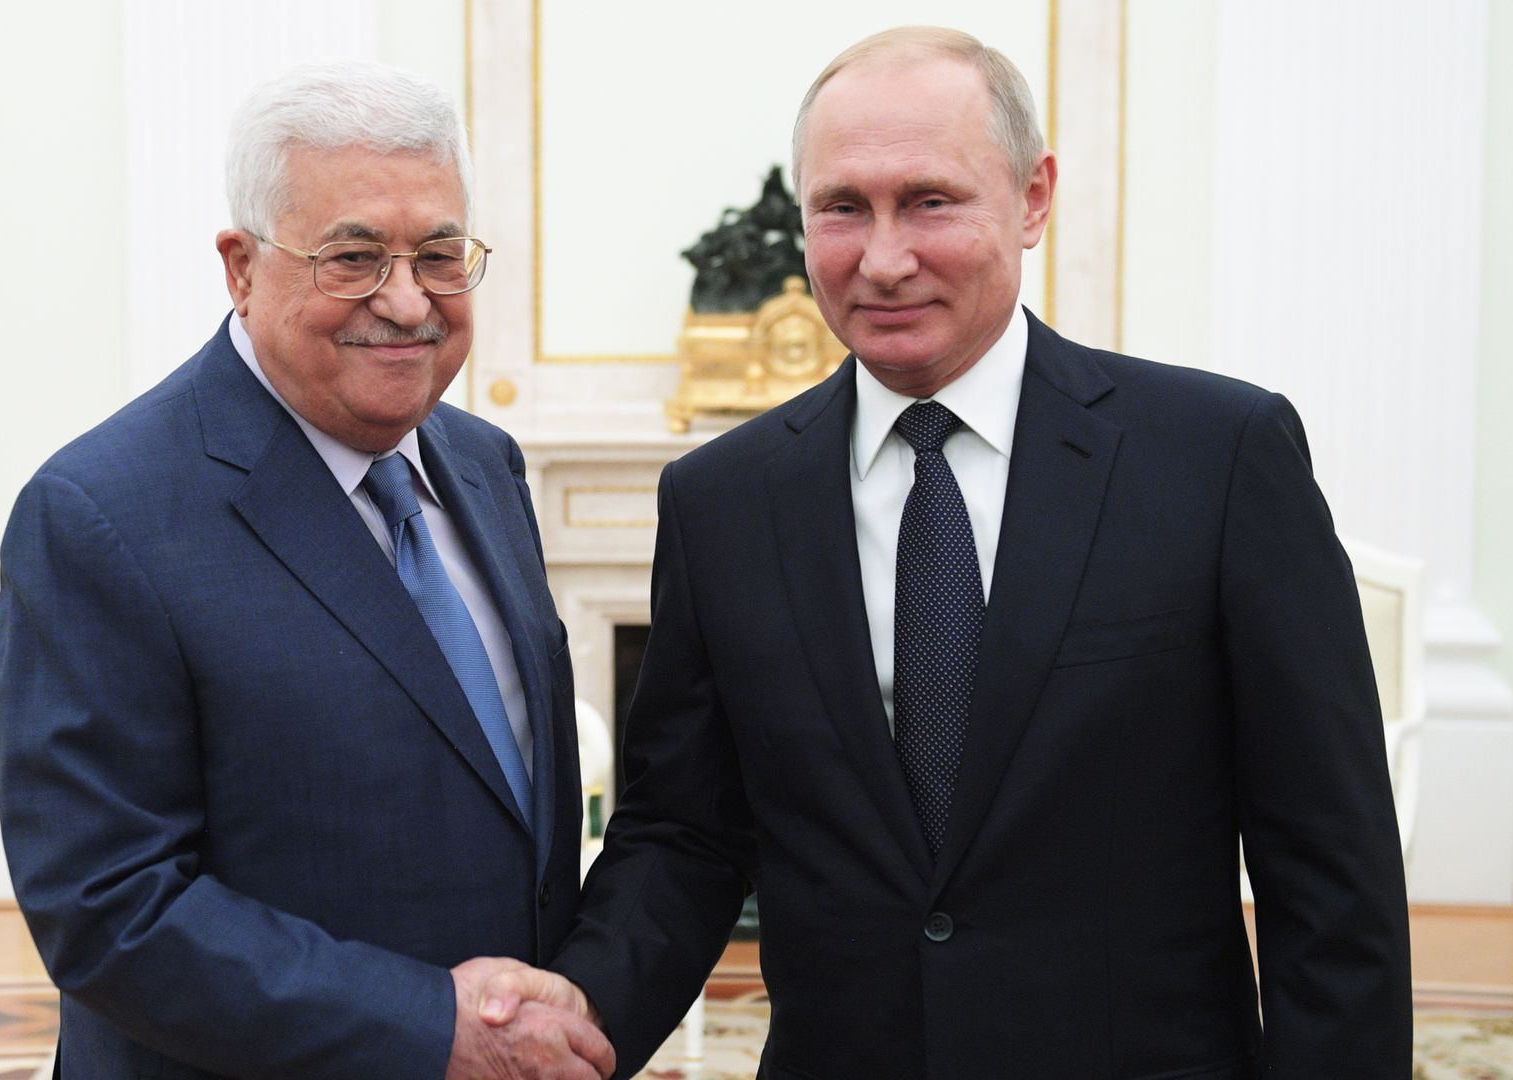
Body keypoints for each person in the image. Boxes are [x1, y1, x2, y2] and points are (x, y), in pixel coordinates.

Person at [493, 25, 1412, 1078]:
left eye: (930, 200)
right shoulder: (722, 501)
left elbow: (1330, 874)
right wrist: (578, 1017)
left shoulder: (1217, 460)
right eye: (843, 207)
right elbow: (685, 837)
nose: (883, 258)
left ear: (1032, 198)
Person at [0, 59, 611, 1079]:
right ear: (241, 266)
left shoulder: (486, 466)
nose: (408, 301)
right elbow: (107, 907)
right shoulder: (99, 515)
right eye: (353, 257)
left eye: (440, 254)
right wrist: (426, 1025)